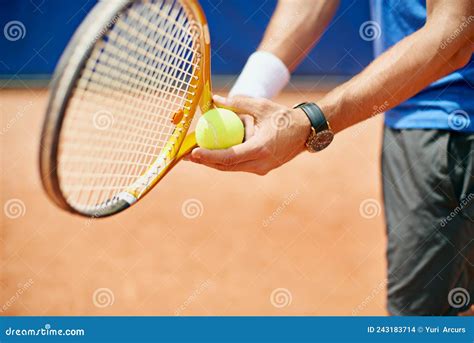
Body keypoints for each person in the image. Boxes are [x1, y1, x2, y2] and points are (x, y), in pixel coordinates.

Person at [188, 0, 474, 315]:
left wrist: (310, 122)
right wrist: (250, 92)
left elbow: (453, 35)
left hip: (454, 129)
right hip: (420, 123)